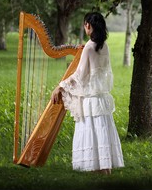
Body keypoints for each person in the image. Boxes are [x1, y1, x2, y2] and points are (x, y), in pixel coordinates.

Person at [51, 12, 124, 174]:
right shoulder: (104, 46)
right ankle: (105, 169)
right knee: (102, 133)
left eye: (85, 25)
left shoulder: (89, 48)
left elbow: (79, 76)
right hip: (101, 99)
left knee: (92, 133)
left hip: (91, 101)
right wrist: (84, 50)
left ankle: (94, 169)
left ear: (88, 26)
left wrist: (60, 86)